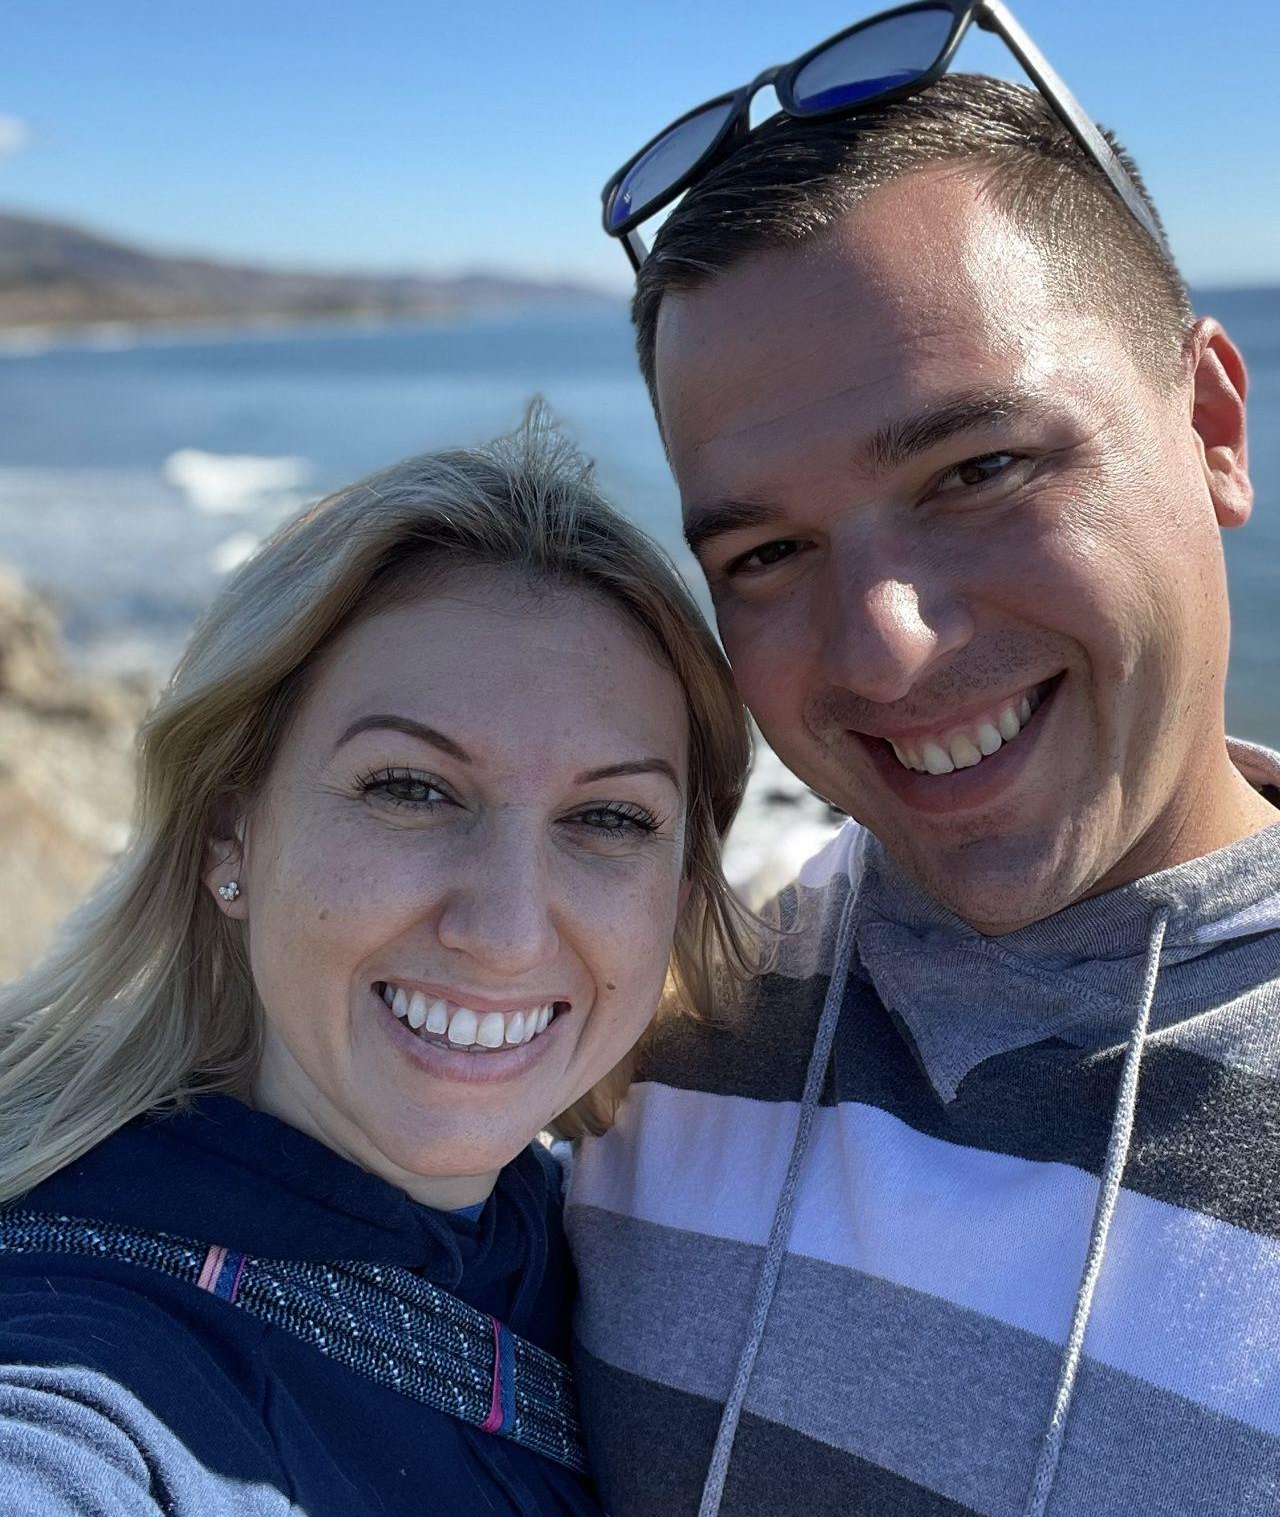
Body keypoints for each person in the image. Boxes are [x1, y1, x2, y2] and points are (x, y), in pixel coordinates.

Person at [567, 4, 1280, 1517]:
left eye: (979, 469)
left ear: (1210, 423)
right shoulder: (642, 1048)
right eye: (765, 553)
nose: (883, 648)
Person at [0, 411, 757, 1516]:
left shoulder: (632, 1248)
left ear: (681, 892)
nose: (506, 930)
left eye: (608, 816)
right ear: (229, 833)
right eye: (410, 788)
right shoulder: (85, 1363)